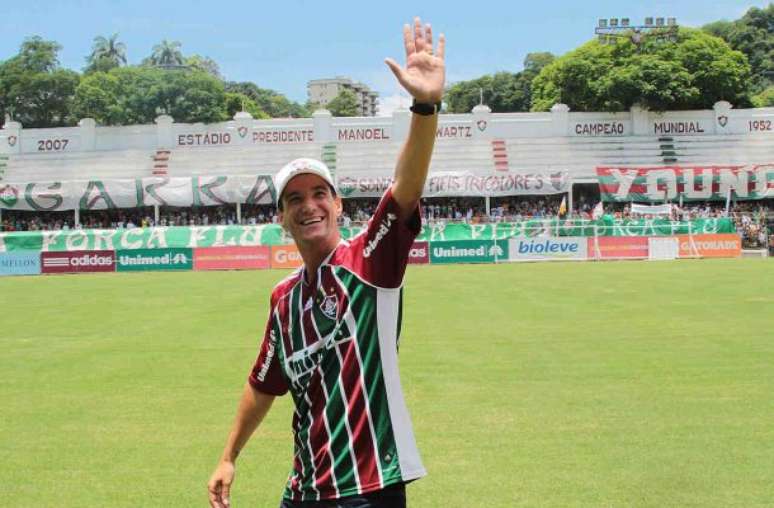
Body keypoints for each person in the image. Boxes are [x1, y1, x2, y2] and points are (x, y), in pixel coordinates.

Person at [207, 17, 445, 508]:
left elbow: (406, 186)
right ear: (282, 217)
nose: (308, 204)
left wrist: (424, 106)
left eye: (319, 193)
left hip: (368, 489)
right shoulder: (283, 298)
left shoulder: (369, 260)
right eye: (294, 198)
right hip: (304, 490)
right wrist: (228, 455)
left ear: (338, 205)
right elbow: (263, 383)